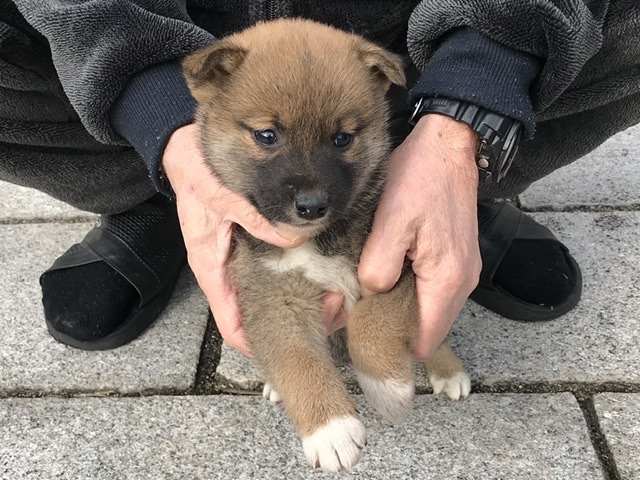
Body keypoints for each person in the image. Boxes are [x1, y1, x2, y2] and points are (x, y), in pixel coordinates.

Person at [2, 1, 638, 357]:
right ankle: (156, 192)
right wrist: (154, 107)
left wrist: (470, 103)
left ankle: (444, 183)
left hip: (408, 54)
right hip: (157, 49)